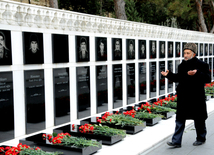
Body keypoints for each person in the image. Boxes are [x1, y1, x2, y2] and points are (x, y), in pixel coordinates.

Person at [161, 43, 211, 148]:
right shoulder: (182, 65)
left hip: (196, 97)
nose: (185, 55)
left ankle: (201, 138)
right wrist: (169, 75)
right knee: (180, 119)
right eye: (184, 53)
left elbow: (208, 79)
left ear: (194, 53)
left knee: (199, 119)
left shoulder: (202, 65)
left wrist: (197, 73)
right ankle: (176, 141)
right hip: (184, 96)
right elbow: (179, 78)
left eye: (188, 53)